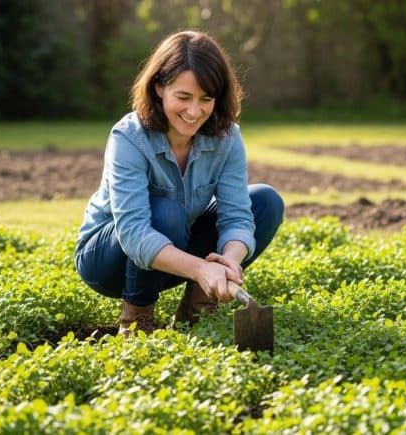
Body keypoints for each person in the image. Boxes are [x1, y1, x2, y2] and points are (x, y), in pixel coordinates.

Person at [74, 30, 285, 337]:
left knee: (265, 201)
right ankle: (136, 319)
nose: (194, 111)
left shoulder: (227, 137)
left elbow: (237, 215)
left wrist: (229, 260)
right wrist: (201, 269)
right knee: (166, 212)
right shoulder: (129, 138)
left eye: (206, 99)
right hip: (109, 261)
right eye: (183, 97)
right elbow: (133, 233)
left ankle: (197, 310)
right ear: (159, 87)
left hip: (174, 253)